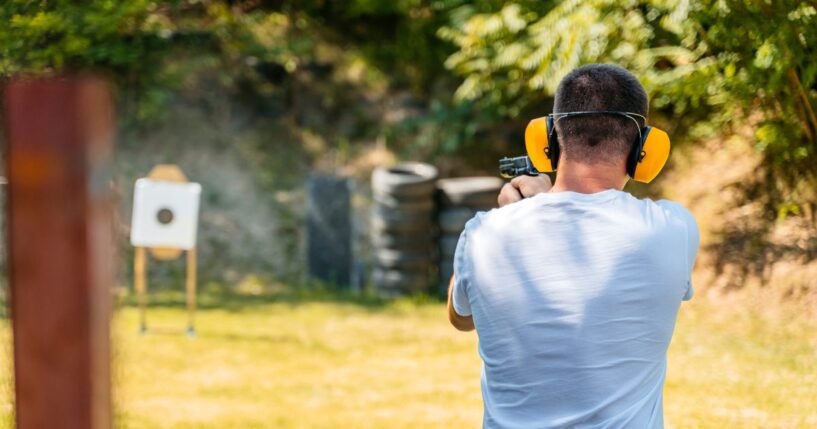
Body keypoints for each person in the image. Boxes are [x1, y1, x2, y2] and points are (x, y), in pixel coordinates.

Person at [447, 64, 699, 429]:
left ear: (547, 138)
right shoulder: (675, 230)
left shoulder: (485, 234)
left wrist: (514, 214)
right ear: (644, 148)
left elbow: (460, 316)